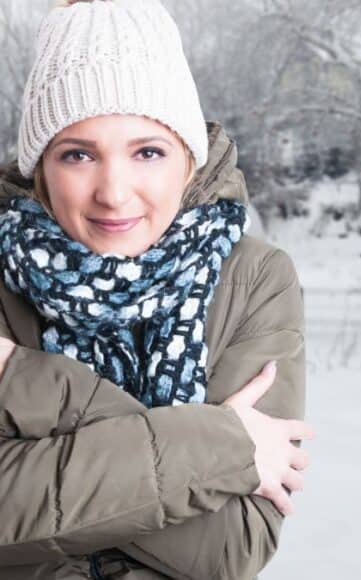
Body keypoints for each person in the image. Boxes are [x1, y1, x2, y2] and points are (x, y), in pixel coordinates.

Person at [0, 0, 313, 578]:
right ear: (41, 168)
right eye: (78, 155)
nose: (114, 193)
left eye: (148, 151)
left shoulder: (253, 278)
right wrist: (222, 445)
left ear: (188, 162)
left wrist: (24, 381)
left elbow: (230, 546)